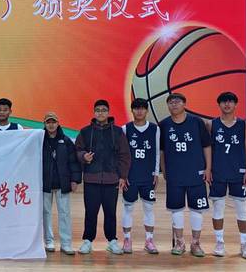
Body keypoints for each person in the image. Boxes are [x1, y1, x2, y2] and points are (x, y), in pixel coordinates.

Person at [74, 99, 131, 255]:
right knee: (90, 212)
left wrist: (122, 176)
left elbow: (124, 155)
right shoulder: (85, 132)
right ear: (94, 112)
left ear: (108, 112)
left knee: (110, 212)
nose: (101, 113)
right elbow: (77, 150)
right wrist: (83, 156)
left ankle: (112, 241)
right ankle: (87, 241)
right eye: (98, 110)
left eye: (104, 110)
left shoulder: (117, 132)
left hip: (111, 179)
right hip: (91, 179)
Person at [159, 92, 212, 257]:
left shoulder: (197, 122)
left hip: (196, 172)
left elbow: (207, 146)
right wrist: (163, 169)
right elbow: (162, 150)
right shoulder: (164, 124)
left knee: (197, 209)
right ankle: (180, 242)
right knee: (176, 209)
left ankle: (195, 243)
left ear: (184, 104)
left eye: (177, 101)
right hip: (174, 174)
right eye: (171, 102)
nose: (174, 104)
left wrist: (208, 168)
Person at [209, 92, 246, 259]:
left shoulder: (244, 125)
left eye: (230, 101)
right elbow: (208, 149)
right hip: (218, 171)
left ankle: (244, 244)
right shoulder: (211, 124)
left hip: (238, 172)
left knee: (242, 209)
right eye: (223, 102)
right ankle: (219, 242)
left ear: (236, 104)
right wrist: (208, 169)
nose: (227, 104)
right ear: (219, 105)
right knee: (218, 208)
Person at [121, 98, 161, 254]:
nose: (139, 111)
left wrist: (156, 173)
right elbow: (122, 155)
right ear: (132, 110)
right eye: (136, 108)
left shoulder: (155, 129)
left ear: (147, 110)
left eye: (142, 108)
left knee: (149, 207)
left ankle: (149, 240)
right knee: (128, 207)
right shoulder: (125, 129)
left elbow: (156, 152)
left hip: (147, 176)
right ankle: (127, 239)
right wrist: (123, 174)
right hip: (131, 175)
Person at [41, 112, 81, 254]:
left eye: (53, 122)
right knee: (46, 213)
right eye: (48, 122)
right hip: (45, 184)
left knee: (64, 214)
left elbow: (73, 162)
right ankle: (49, 242)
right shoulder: (40, 140)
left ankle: (66, 244)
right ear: (44, 124)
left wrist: (75, 180)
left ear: (58, 123)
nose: (51, 125)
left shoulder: (66, 141)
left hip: (62, 184)